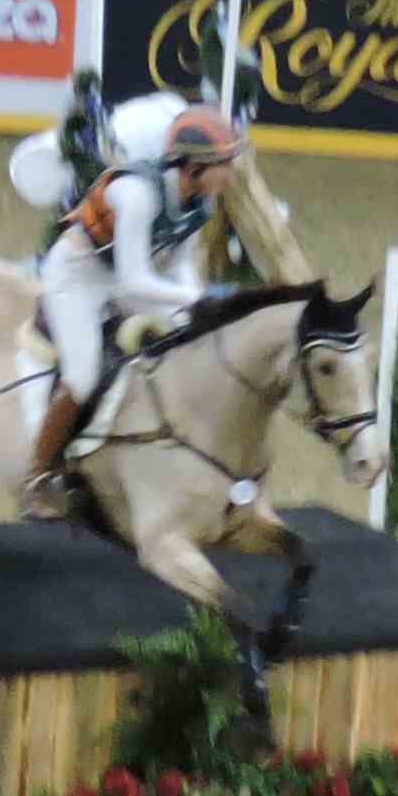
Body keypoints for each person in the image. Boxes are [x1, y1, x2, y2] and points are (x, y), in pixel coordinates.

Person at [19, 103, 248, 520]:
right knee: (83, 377)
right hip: (78, 279)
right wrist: (192, 300)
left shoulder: (201, 202)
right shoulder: (137, 193)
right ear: (192, 166)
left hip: (129, 279)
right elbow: (132, 281)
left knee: (190, 344)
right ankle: (38, 476)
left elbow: (178, 263)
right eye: (224, 164)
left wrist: (197, 304)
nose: (231, 173)